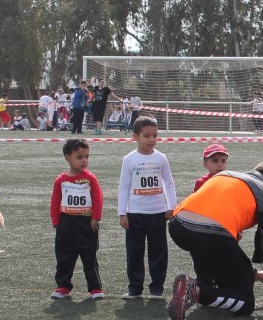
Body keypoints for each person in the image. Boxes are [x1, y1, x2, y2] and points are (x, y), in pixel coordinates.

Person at [167, 162, 263, 320]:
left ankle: (203, 283)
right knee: (245, 303)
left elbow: (227, 257)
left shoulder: (225, 175)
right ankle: (196, 291)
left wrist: (254, 275)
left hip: (178, 226)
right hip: (211, 233)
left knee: (206, 246)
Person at [117, 116, 176, 299]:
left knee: (158, 251)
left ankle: (157, 287)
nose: (151, 140)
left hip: (157, 213)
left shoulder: (161, 158)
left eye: (155, 135)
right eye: (146, 136)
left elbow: (169, 183)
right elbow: (124, 186)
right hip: (135, 214)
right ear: (135, 137)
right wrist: (122, 212)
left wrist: (171, 207)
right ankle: (135, 287)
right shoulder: (129, 159)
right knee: (135, 252)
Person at [50, 139, 104, 301]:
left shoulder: (90, 179)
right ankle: (63, 286)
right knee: (64, 256)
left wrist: (95, 218)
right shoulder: (60, 180)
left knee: (89, 257)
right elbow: (55, 201)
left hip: (86, 223)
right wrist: (56, 221)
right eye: (79, 157)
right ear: (68, 157)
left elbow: (98, 199)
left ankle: (95, 288)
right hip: (66, 223)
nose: (84, 160)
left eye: (87, 156)